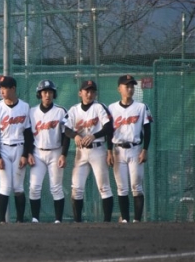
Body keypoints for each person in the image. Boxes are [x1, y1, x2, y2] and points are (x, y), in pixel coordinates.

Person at [64, 79, 114, 222]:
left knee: (104, 187)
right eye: (86, 91)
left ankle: (107, 222)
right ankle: (78, 222)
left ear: (95, 94)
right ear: (80, 93)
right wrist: (75, 136)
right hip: (81, 152)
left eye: (92, 91)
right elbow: (65, 128)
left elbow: (109, 127)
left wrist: (94, 135)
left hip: (98, 150)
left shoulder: (99, 107)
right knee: (76, 188)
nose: (89, 94)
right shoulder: (74, 110)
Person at [107, 74, 153, 223]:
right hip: (118, 150)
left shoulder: (141, 107)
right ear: (119, 89)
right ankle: (125, 220)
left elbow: (147, 130)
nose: (130, 88)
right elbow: (109, 132)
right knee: (122, 188)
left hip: (135, 149)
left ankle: (137, 221)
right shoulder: (112, 108)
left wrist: (145, 149)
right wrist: (109, 151)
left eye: (132, 86)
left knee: (136, 186)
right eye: (127, 86)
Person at [0, 75, 33, 223]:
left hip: (19, 147)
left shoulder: (25, 107)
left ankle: (20, 221)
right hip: (3, 148)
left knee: (18, 187)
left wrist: (25, 154)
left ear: (13, 88)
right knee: (5, 186)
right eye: (0, 88)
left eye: (4, 88)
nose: (1, 91)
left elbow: (28, 133)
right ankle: (2, 221)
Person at [27, 80, 70, 223]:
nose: (47, 95)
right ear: (39, 94)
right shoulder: (32, 112)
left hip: (56, 152)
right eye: (44, 92)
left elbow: (66, 135)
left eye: (50, 92)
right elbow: (28, 135)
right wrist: (29, 152)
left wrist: (63, 154)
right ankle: (35, 218)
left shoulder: (61, 111)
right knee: (34, 187)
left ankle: (58, 220)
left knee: (56, 188)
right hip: (37, 152)